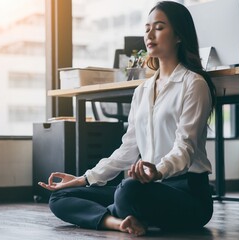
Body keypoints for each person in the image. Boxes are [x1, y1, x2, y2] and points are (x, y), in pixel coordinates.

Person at [39, 1, 216, 236]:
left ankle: (114, 212)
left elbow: (185, 149)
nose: (150, 34)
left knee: (127, 191)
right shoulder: (142, 91)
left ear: (179, 36)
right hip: (148, 188)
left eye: (159, 27)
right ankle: (118, 222)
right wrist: (84, 179)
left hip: (187, 193)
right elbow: (127, 150)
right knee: (60, 196)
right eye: (147, 29)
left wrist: (158, 171)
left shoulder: (194, 84)